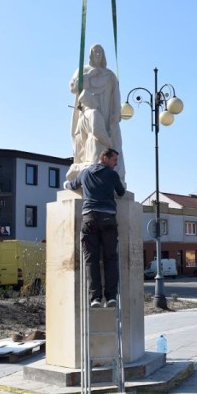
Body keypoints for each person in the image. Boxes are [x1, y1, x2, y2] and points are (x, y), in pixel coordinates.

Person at [65, 148, 126, 308]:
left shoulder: (85, 173)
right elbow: (121, 192)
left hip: (89, 219)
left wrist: (66, 184)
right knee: (110, 258)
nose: (116, 164)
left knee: (91, 260)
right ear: (104, 158)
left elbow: (72, 185)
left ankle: (95, 298)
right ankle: (111, 297)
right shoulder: (112, 174)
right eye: (114, 160)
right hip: (108, 219)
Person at [68, 44, 125, 185]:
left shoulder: (110, 75)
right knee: (88, 138)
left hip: (105, 110)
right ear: (90, 55)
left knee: (101, 133)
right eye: (95, 52)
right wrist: (87, 76)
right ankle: (90, 164)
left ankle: (106, 161)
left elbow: (116, 95)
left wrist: (116, 112)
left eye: (100, 51)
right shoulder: (83, 71)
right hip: (87, 109)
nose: (97, 54)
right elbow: (73, 88)